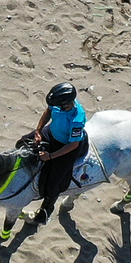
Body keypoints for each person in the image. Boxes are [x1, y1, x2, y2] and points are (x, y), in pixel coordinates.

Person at [30, 82, 89, 224]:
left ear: (67, 104)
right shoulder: (58, 103)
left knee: (53, 183)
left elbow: (73, 144)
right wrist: (38, 130)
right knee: (23, 142)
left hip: (67, 146)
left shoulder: (77, 119)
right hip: (51, 132)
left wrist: (50, 156)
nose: (55, 107)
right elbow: (48, 112)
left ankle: (46, 211)